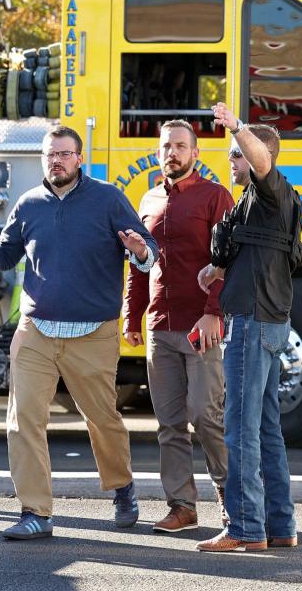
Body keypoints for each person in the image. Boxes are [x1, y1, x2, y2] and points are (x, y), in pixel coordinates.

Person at [0, 125, 158, 540]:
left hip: (93, 332)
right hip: (36, 330)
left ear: (79, 159)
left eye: (64, 154)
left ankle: (122, 487)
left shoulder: (108, 199)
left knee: (102, 419)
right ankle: (35, 512)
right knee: (23, 422)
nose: (56, 160)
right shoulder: (29, 203)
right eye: (49, 154)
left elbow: (146, 251)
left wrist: (140, 250)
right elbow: (3, 256)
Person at [195, 103, 298, 553]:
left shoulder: (270, 186)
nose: (231, 161)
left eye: (236, 154)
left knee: (238, 428)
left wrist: (238, 127)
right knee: (267, 429)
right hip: (268, 320)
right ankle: (279, 526)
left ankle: (244, 528)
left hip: (253, 322)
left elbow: (260, 161)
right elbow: (257, 251)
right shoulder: (265, 204)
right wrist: (218, 271)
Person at [124, 120, 234, 533]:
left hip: (200, 324)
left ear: (195, 154)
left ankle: (233, 501)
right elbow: (138, 262)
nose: (173, 152)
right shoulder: (148, 199)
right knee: (169, 423)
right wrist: (132, 315)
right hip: (159, 325)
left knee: (206, 417)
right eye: (167, 146)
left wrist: (213, 312)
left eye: (181, 146)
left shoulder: (215, 197)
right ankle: (182, 507)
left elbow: (226, 261)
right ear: (159, 152)